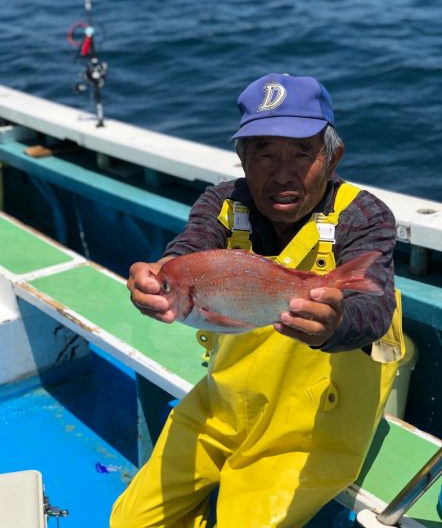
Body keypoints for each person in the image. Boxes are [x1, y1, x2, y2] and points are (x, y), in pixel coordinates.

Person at [110, 73, 404, 528]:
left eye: (302, 152)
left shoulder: (363, 216)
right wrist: (158, 275)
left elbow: (376, 308)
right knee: (131, 522)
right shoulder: (223, 203)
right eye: (264, 152)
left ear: (332, 157)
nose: (281, 172)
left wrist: (335, 323)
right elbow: (192, 245)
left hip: (312, 430)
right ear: (242, 159)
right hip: (221, 406)